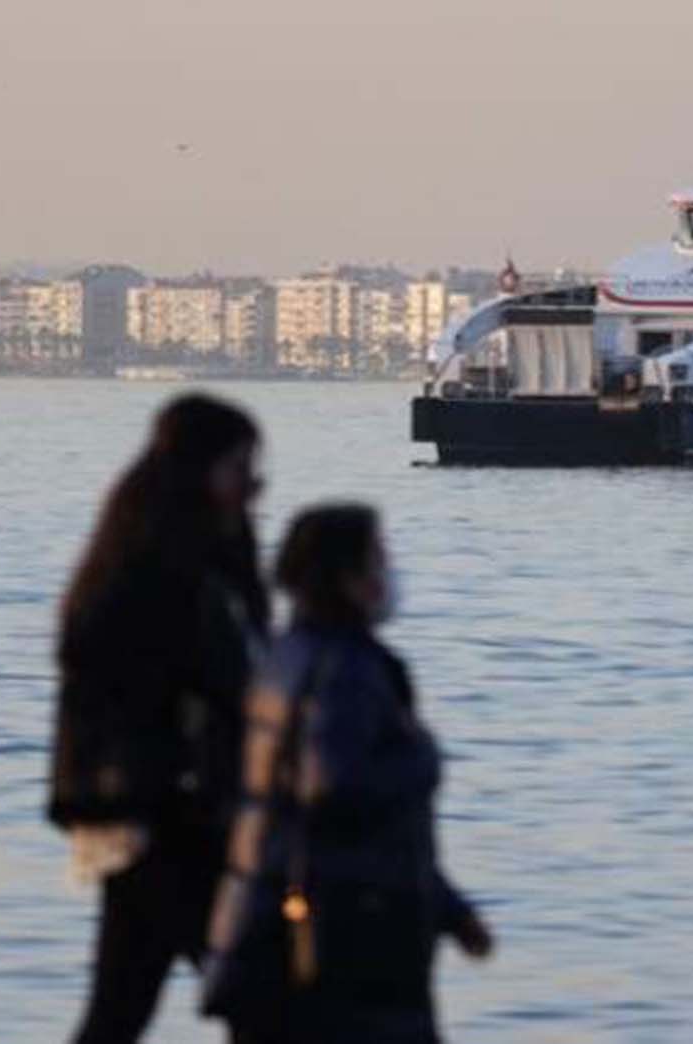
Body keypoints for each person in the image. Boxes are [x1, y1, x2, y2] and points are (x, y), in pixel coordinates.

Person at [207, 504, 491, 1043]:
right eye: (378, 559)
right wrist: (420, 760)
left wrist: (448, 909)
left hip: (277, 931)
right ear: (348, 578)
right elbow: (339, 792)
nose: (389, 573)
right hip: (347, 947)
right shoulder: (348, 670)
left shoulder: (287, 655)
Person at [49, 393, 270, 1043]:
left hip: (173, 820)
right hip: (165, 821)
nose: (254, 484)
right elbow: (120, 702)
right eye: (241, 467)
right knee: (262, 1003)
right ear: (200, 471)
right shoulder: (148, 577)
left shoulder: (211, 564)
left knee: (120, 1010)